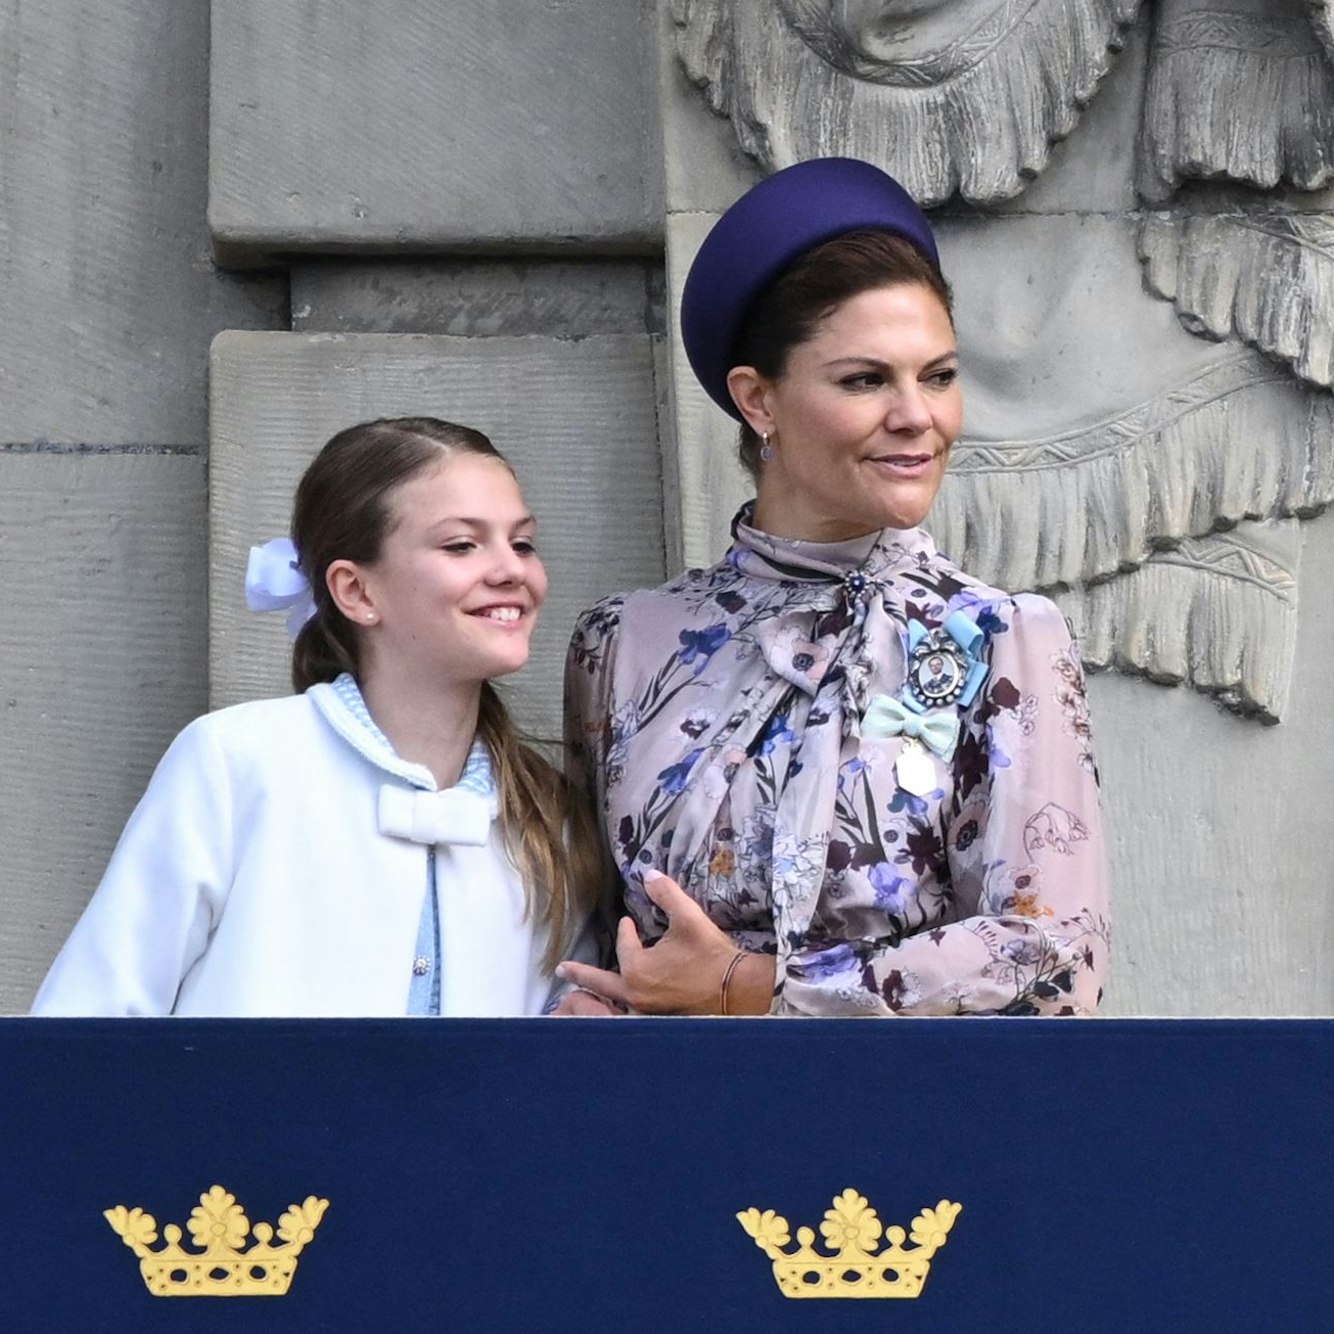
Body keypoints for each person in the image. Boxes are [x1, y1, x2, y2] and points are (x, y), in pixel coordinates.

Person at [559, 158, 1109, 1017]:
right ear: (758, 400)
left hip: (905, 1132)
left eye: (937, 375)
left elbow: (1053, 956)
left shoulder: (1000, 637)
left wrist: (753, 990)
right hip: (658, 1124)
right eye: (865, 380)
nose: (917, 416)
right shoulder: (623, 642)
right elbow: (588, 937)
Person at [33, 416, 604, 1017]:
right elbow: (88, 1023)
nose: (511, 569)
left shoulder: (548, 816)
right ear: (356, 591)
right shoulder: (236, 762)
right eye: (461, 544)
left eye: (522, 542)